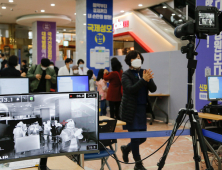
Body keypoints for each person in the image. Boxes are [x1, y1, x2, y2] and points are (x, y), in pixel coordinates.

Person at [119, 50, 157, 170]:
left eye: (139, 57)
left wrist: (148, 79)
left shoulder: (144, 72)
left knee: (142, 137)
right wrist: (143, 80)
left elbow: (154, 89)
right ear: (129, 60)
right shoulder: (126, 75)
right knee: (135, 137)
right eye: (135, 57)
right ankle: (138, 164)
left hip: (141, 109)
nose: (138, 59)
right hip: (131, 110)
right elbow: (130, 89)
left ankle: (126, 148)